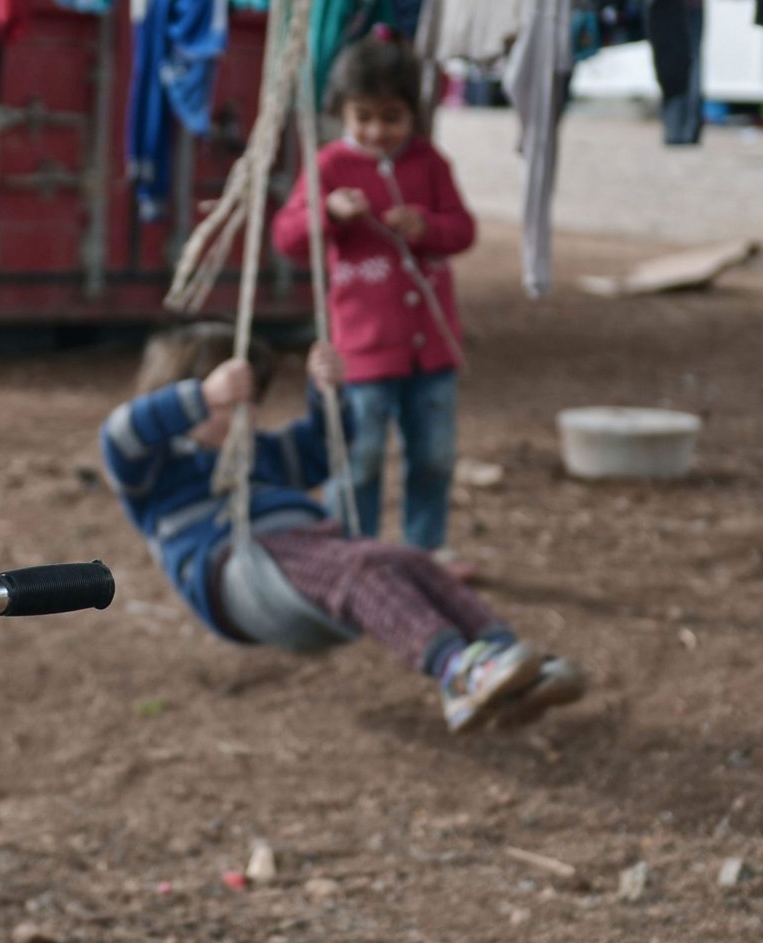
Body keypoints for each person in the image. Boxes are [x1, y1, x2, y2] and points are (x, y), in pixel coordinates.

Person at [99, 323, 584, 732]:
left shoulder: (262, 453)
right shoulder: (155, 471)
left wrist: (327, 394)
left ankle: (509, 661)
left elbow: (325, 447)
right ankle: (457, 672)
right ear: (175, 402)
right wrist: (201, 396)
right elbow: (120, 434)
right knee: (361, 569)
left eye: (248, 401)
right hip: (241, 566)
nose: (241, 414)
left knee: (411, 562)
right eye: (224, 404)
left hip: (310, 547)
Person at [270, 37, 473, 559]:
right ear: (341, 112)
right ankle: (352, 555)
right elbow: (287, 238)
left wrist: (425, 225)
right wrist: (329, 213)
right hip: (359, 354)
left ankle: (425, 553)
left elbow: (463, 230)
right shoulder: (329, 166)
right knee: (356, 460)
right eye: (364, 117)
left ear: (414, 114)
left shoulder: (430, 163)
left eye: (392, 117)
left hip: (431, 351)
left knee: (434, 457)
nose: (378, 131)